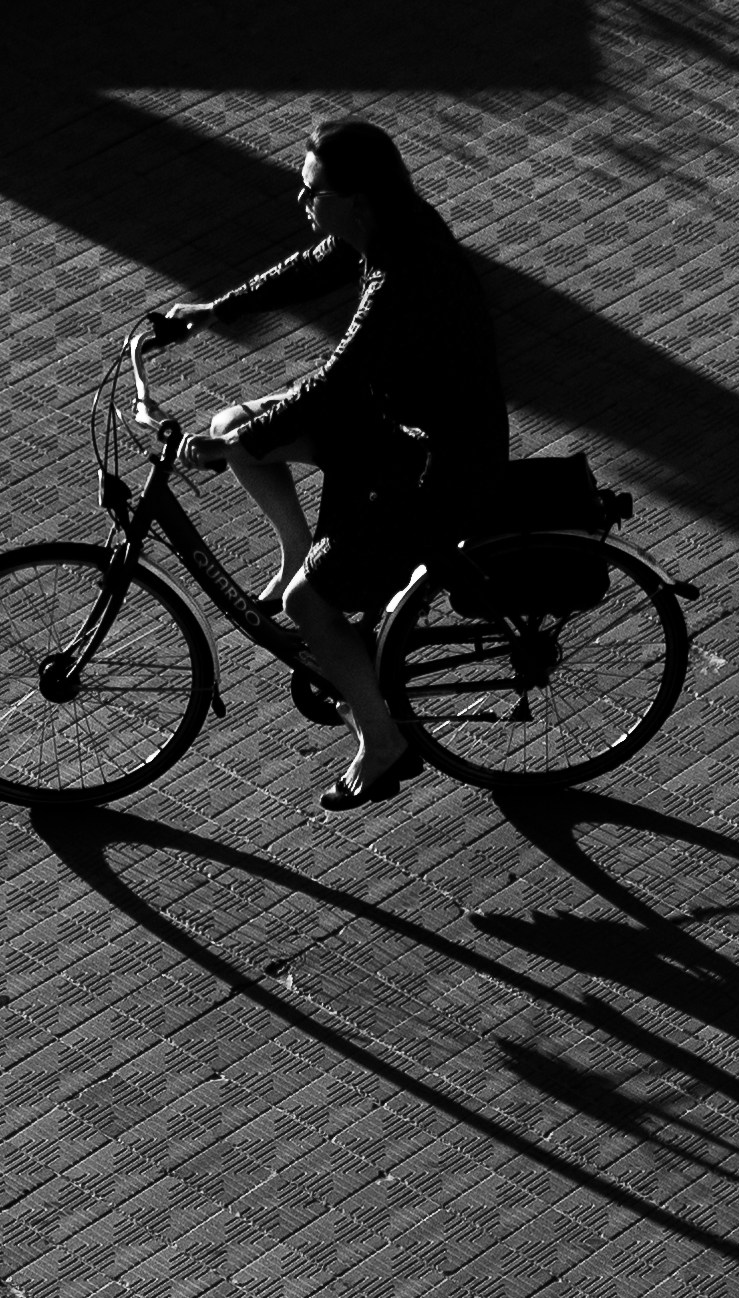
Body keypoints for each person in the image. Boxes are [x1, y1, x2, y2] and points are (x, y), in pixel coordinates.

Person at [145, 118, 506, 812]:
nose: (301, 204)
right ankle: (298, 556)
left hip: (439, 462)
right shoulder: (381, 229)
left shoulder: (404, 272)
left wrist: (238, 452)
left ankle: (383, 741)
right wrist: (217, 310)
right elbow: (311, 266)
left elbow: (335, 381)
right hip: (394, 424)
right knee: (235, 422)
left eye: (313, 193)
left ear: (358, 200)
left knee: (309, 599)